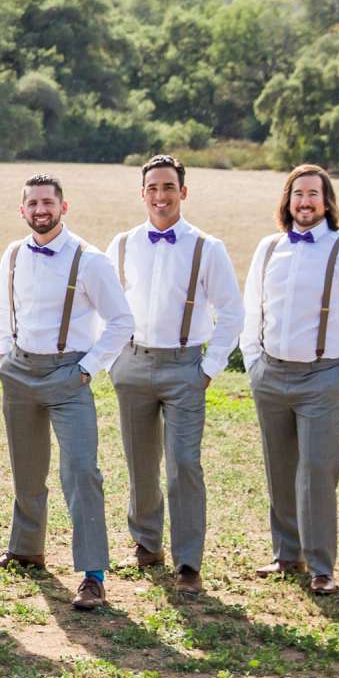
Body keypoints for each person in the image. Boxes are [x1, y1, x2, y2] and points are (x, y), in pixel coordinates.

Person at [238, 164, 339, 596]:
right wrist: (253, 362)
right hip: (271, 373)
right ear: (287, 201)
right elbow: (252, 311)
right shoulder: (268, 248)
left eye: (313, 195)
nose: (304, 202)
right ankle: (287, 555)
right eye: (297, 194)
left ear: (327, 202)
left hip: (323, 376)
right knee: (280, 467)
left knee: (318, 471)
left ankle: (322, 565)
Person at [0, 174, 133, 612]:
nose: (40, 210)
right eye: (32, 203)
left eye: (47, 202)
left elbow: (121, 321)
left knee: (82, 473)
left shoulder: (90, 259)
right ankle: (26, 549)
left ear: (63, 207)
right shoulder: (12, 254)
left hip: (70, 375)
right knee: (26, 469)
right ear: (22, 210)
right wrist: (2, 355)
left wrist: (87, 369)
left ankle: (93, 575)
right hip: (20, 372)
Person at [103, 155, 243, 595]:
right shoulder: (122, 244)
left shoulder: (208, 248)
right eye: (153, 188)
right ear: (141, 193)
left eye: (169, 187)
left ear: (183, 192)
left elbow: (233, 313)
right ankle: (146, 543)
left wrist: (209, 368)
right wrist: (111, 362)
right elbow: (101, 307)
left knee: (184, 464)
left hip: (186, 367)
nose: (160, 196)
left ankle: (187, 562)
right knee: (140, 462)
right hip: (133, 362)